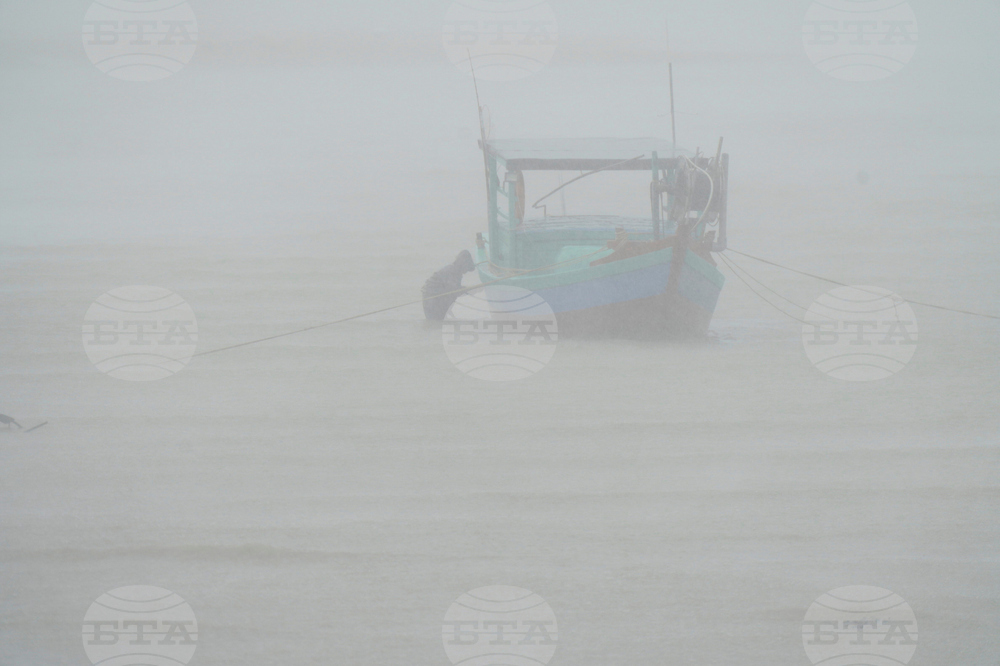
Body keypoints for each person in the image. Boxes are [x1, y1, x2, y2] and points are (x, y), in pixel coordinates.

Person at [422, 250, 476, 320]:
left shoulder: (456, 271)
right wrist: (467, 289)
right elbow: (453, 291)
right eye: (467, 268)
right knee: (436, 322)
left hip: (434, 298)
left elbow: (452, 291)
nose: (466, 271)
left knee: (437, 323)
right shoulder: (453, 272)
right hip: (432, 299)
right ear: (463, 265)